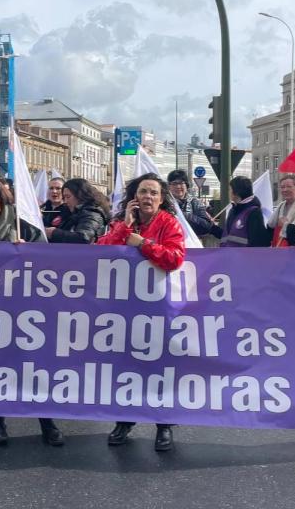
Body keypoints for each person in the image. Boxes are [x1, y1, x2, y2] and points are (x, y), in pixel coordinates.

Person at [0, 174, 64, 446]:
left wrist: (27, 249)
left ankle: (47, 421)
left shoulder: (21, 221)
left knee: (34, 365)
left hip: (26, 307)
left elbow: (45, 253)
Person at [97, 173, 186, 451]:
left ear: (161, 199)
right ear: (134, 196)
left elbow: (174, 258)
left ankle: (163, 424)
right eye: (143, 192)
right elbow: (101, 253)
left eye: (153, 193)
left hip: (158, 308)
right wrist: (124, 229)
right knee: (127, 367)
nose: (148, 197)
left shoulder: (169, 224)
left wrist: (143, 245)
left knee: (159, 368)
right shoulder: (121, 223)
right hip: (124, 310)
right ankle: (126, 420)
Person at [211, 176, 270, 247]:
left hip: (243, 257)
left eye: (230, 189)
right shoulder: (233, 210)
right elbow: (227, 236)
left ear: (236, 192)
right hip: (228, 256)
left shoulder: (254, 213)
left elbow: (257, 243)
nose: (229, 192)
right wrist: (212, 227)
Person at [46, 178, 109, 244]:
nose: (65, 201)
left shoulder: (92, 213)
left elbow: (84, 238)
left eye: (68, 197)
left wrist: (54, 233)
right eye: (64, 197)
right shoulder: (72, 212)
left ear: (80, 195)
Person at [167, 170, 215, 237]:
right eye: (174, 183)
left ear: (186, 185)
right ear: (169, 186)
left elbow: (206, 226)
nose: (178, 187)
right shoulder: (164, 203)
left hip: (191, 243)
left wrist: (181, 215)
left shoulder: (195, 202)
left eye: (181, 183)